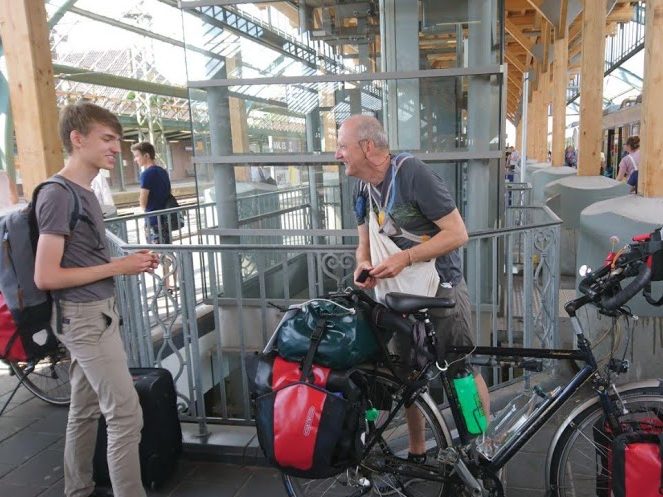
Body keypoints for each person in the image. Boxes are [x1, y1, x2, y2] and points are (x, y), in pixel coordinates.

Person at [336, 115, 490, 465]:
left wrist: (404, 258)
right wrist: (363, 264)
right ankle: (418, 451)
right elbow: (363, 243)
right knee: (407, 377)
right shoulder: (360, 187)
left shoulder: (412, 174)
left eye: (343, 146)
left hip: (441, 289)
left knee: (461, 368)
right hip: (395, 296)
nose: (337, 154)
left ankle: (480, 449)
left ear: (367, 147)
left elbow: (457, 233)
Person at [33, 101, 159, 497]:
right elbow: (46, 275)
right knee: (125, 415)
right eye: (107, 139)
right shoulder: (58, 195)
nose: (115, 148)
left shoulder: (83, 192)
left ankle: (78, 489)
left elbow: (79, 258)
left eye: (117, 140)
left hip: (92, 315)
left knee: (85, 409)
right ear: (77, 138)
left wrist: (122, 263)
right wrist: (117, 268)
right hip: (85, 318)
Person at [132, 141, 176, 292]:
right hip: (165, 218)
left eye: (137, 156)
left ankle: (165, 285)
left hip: (153, 219)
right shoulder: (163, 171)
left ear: (146, 155)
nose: (135, 159)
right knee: (167, 250)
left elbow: (143, 198)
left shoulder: (147, 174)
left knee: (157, 252)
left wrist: (143, 210)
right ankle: (171, 282)